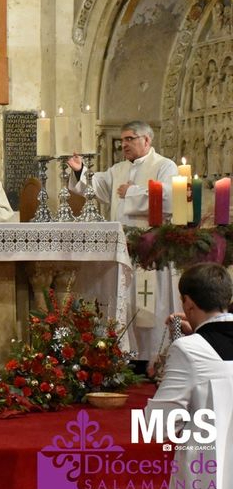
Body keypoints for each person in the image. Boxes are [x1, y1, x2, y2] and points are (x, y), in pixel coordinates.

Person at [68, 120, 180, 370]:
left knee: (150, 304)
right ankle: (127, 355)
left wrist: (132, 192)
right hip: (122, 248)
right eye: (122, 140)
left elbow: (170, 199)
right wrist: (79, 170)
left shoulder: (164, 166)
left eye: (130, 139)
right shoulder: (118, 168)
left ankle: (152, 358)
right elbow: (97, 187)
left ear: (147, 140)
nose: (124, 144)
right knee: (127, 304)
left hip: (151, 250)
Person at [145, 262, 233, 489]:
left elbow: (159, 426)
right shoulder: (193, 345)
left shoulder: (189, 349)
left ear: (188, 304)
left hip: (209, 472)